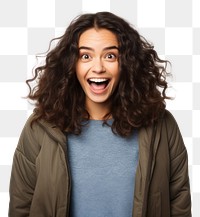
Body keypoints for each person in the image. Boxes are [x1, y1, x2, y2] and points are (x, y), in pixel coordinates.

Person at [9, 12, 191, 217]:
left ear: (127, 63)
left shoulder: (161, 125)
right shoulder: (40, 127)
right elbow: (21, 204)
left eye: (110, 56)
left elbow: (179, 202)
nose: (98, 68)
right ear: (71, 64)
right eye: (85, 56)